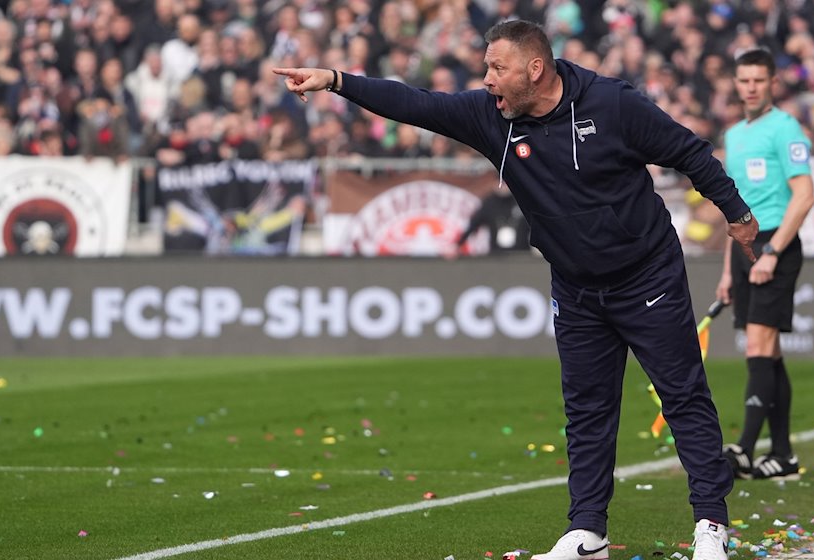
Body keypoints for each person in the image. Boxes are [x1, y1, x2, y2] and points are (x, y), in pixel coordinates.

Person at [274, 20, 758, 560]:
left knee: (682, 396)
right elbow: (417, 104)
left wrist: (735, 212)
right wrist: (337, 79)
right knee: (587, 410)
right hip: (575, 287)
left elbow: (689, 152)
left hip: (646, 275)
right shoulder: (492, 117)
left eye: (496, 68)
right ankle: (588, 531)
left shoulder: (612, 104)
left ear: (535, 68)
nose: (486, 80)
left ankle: (711, 524)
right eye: (485, 68)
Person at [716, 48, 814, 482]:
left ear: (773, 82)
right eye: (744, 80)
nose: (751, 87)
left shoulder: (785, 128)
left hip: (776, 244)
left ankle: (744, 448)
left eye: (759, 79)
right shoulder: (734, 135)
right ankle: (783, 455)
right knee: (768, 353)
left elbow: (805, 195)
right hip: (745, 248)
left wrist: (773, 252)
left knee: (758, 347)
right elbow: (734, 211)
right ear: (736, 84)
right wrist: (727, 270)